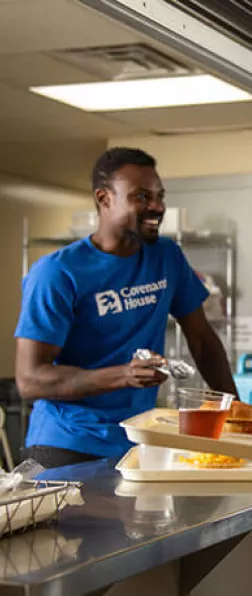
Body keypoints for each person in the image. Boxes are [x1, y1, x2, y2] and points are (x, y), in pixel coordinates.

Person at [14, 147, 238, 468]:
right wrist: (123, 375)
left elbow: (202, 341)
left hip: (138, 439)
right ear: (104, 199)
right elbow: (30, 380)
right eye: (142, 196)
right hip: (68, 442)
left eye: (160, 195)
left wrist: (234, 410)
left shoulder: (166, 256)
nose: (157, 206)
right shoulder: (57, 273)